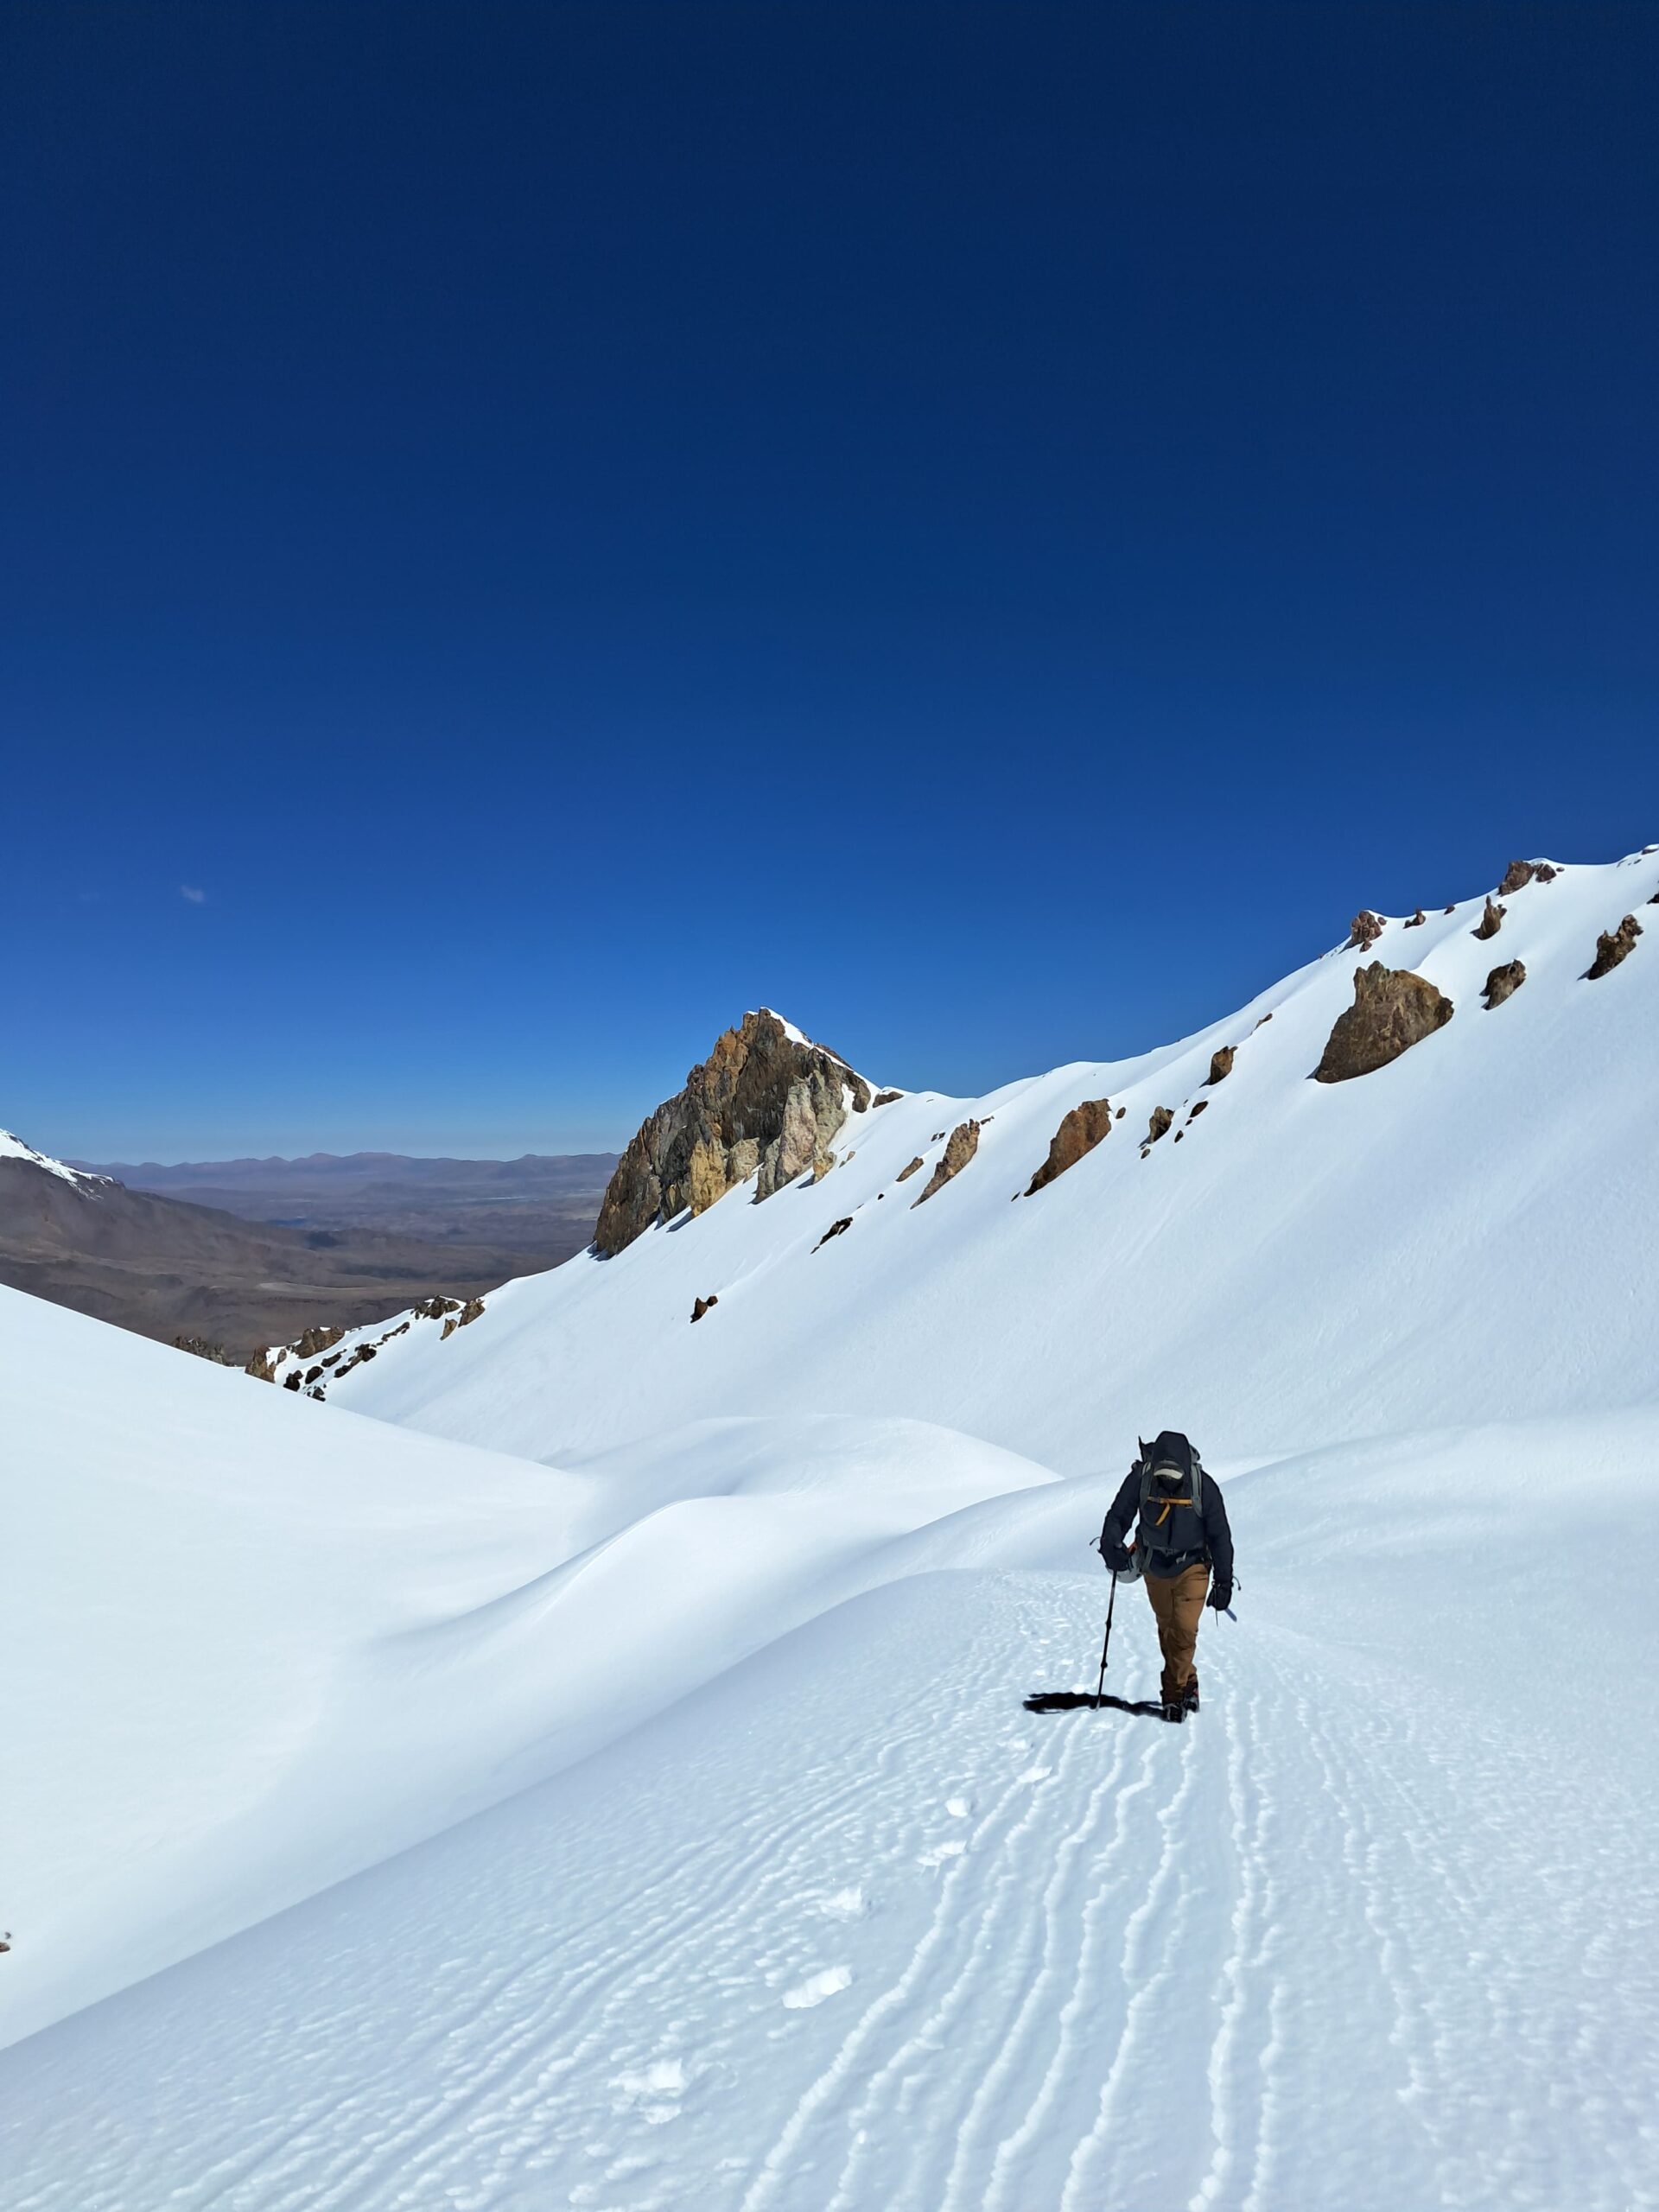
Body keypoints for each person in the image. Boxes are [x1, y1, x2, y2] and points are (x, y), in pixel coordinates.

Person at [1097, 1429, 1233, 1720]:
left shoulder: (1203, 1486)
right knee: (1169, 1629)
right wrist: (1111, 1544)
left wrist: (1223, 1581)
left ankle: (1173, 1694)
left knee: (1184, 1628)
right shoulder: (1141, 1478)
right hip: (1154, 1564)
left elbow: (1220, 1535)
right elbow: (1119, 1515)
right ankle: (1189, 1682)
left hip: (1194, 1566)